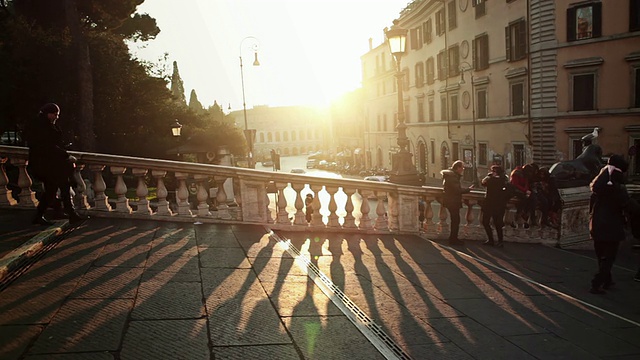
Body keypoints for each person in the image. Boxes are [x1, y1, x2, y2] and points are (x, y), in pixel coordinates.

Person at [25, 103, 88, 225]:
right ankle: (70, 214)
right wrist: (66, 155)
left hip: (49, 164)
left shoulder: (42, 125)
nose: (57, 117)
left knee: (53, 189)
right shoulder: (43, 127)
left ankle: (49, 214)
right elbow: (48, 146)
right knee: (61, 187)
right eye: (55, 114)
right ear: (48, 114)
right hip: (48, 165)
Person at [588, 154, 629, 294]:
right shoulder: (619, 188)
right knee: (609, 257)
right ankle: (597, 283)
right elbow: (627, 205)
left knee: (601, 256)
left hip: (597, 225)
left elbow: (591, 207)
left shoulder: (598, 188)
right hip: (612, 227)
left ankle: (607, 280)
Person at [441, 160, 473, 245]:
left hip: (451, 200)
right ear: (458, 168)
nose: (463, 169)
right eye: (462, 167)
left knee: (455, 220)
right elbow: (457, 190)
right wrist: (468, 189)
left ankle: (453, 238)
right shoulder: (452, 177)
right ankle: (453, 239)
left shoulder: (451, 175)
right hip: (452, 201)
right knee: (455, 220)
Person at [480, 165, 509, 247]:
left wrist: (488, 177)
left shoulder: (491, 180)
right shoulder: (504, 180)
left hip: (490, 203)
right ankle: (499, 241)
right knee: (497, 223)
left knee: (487, 222)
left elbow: (483, 183)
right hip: (499, 204)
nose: (491, 172)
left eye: (493, 171)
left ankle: (491, 239)